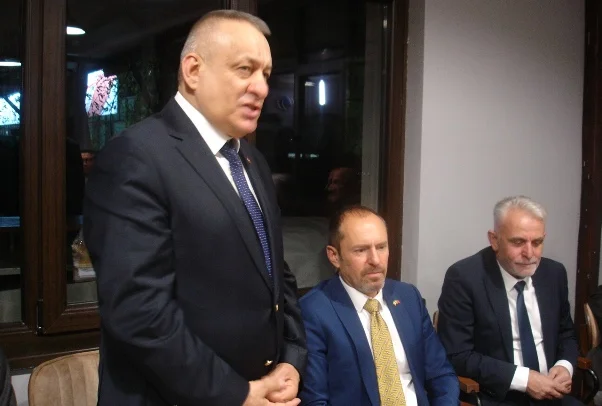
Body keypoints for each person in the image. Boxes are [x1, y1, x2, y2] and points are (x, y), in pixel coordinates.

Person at [84, 10, 306, 406]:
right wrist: (237, 394)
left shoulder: (252, 163)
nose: (261, 88)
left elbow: (276, 273)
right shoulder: (136, 156)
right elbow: (139, 312)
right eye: (245, 69)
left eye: (266, 74)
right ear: (193, 71)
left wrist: (291, 358)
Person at [299, 205, 459, 405]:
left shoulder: (408, 297)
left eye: (381, 247)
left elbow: (442, 376)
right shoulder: (314, 311)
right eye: (361, 250)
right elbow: (315, 401)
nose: (375, 260)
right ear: (334, 256)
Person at [437, 196, 579, 405]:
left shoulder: (554, 273)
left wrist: (565, 366)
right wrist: (525, 380)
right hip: (498, 396)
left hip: (551, 394)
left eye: (537, 242)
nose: (529, 253)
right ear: (494, 240)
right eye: (518, 242)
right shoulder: (465, 278)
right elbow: (457, 355)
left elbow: (566, 334)